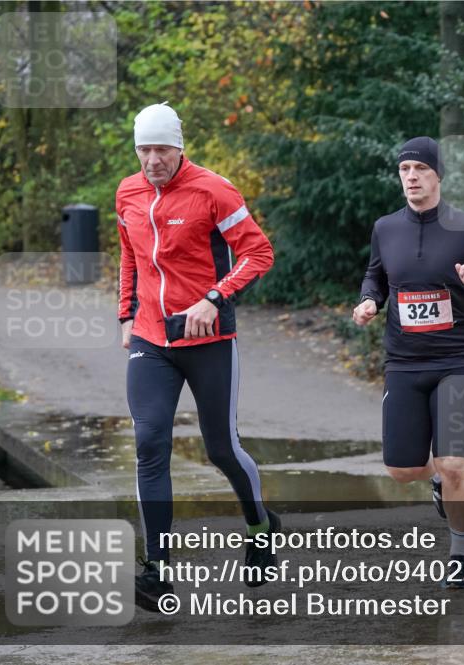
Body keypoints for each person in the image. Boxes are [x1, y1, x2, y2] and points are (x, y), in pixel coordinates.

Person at [116, 102, 279, 611]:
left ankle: (260, 528)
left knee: (221, 449)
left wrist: (214, 299)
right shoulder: (127, 192)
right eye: (145, 148)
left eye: (162, 148)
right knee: (149, 441)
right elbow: (130, 254)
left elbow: (259, 253)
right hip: (150, 339)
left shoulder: (214, 189)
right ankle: (157, 569)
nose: (153, 159)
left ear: (179, 146)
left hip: (209, 340)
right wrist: (125, 315)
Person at [352, 136, 464, 589]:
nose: (412, 177)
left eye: (421, 169)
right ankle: (439, 482)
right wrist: (369, 300)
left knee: (455, 461)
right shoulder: (386, 228)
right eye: (405, 170)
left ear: (438, 175)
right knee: (402, 470)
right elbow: (376, 274)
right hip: (404, 362)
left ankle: (461, 557)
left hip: (462, 359)